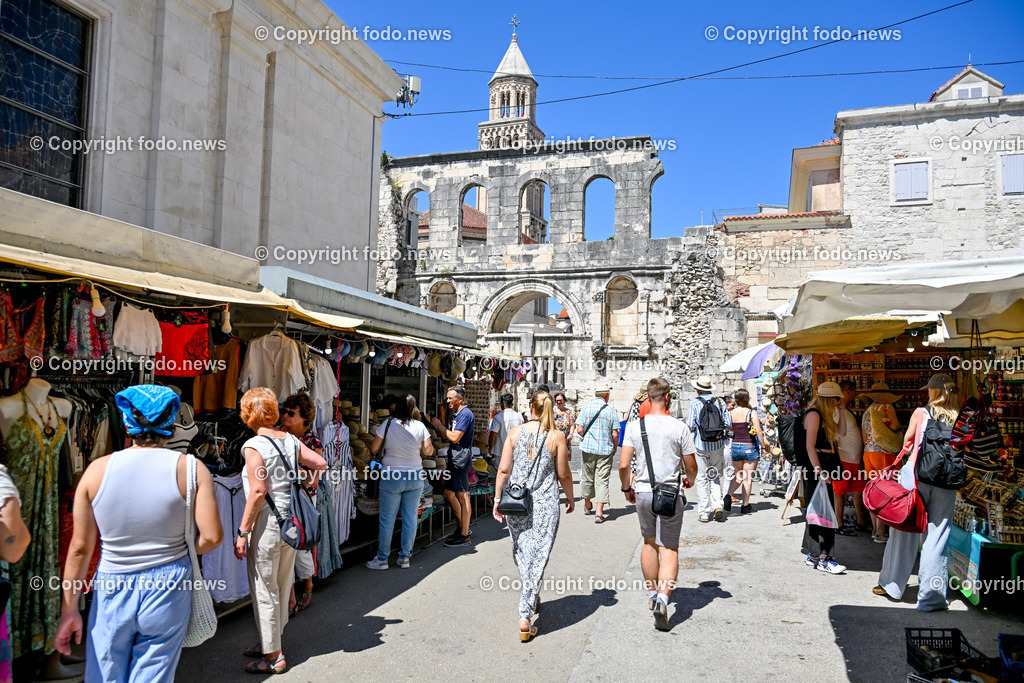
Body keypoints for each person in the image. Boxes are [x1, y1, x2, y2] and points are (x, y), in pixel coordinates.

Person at [54, 385, 224, 682]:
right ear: (171, 423)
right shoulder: (191, 469)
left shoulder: (96, 471)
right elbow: (211, 537)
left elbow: (80, 548)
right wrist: (181, 548)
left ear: (126, 422)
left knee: (105, 673)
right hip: (169, 584)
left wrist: (69, 609)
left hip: (113, 583)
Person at [234, 387, 327, 674]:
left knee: (264, 588)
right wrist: (310, 481)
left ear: (248, 415)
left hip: (267, 525)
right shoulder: (289, 440)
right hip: (291, 524)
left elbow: (258, 490)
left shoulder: (254, 445)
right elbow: (321, 463)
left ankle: (274, 656)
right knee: (282, 584)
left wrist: (243, 532)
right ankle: (270, 642)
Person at [492, 391, 574, 642]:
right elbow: (564, 474)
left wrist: (497, 499)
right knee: (538, 555)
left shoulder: (515, 433)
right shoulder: (556, 437)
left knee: (523, 552)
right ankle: (525, 615)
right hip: (545, 504)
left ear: (531, 407)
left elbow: (504, 470)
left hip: (517, 503)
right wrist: (571, 497)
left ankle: (531, 596)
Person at [875, 374, 960, 611]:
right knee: (937, 535)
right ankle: (931, 598)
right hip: (946, 479)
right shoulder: (959, 417)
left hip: (916, 476)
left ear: (934, 391)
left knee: (904, 532)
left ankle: (892, 586)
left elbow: (908, 442)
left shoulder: (921, 413)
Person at [619, 379, 698, 631]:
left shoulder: (635, 426)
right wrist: (689, 479)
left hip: (643, 492)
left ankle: (653, 595)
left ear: (648, 398)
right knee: (669, 549)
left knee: (649, 543)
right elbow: (691, 466)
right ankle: (664, 599)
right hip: (670, 494)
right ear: (667, 397)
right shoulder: (679, 427)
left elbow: (623, 464)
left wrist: (626, 487)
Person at [366, 395, 433, 570]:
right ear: (413, 408)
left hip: (391, 476)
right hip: (414, 476)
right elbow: (428, 451)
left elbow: (374, 448)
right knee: (410, 518)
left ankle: (382, 559)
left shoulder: (387, 424)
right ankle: (405, 558)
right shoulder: (420, 426)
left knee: (387, 519)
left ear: (397, 407)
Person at [279, 393, 323, 615]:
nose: (285, 415)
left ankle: (307, 584)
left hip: (303, 498)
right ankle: (289, 599)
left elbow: (316, 474)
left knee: (299, 547)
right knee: (284, 547)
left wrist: (298, 472)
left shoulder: (311, 440)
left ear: (304, 417)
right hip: (280, 496)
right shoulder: (278, 434)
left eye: (291, 412)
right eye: (284, 411)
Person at [801, 381, 847, 575]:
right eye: (836, 399)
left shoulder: (823, 416)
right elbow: (809, 446)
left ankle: (814, 555)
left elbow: (842, 433)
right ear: (829, 399)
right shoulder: (814, 415)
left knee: (818, 509)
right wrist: (819, 470)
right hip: (818, 466)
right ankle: (824, 557)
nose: (838, 402)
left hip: (824, 465)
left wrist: (842, 412)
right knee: (823, 511)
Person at [431, 387, 475, 547]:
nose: (447, 401)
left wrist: (439, 426)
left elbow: (455, 437)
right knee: (448, 493)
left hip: (460, 461)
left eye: (451, 398)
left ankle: (465, 534)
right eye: (447, 398)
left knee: (463, 496)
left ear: (460, 399)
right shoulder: (458, 414)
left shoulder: (465, 414)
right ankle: (462, 527)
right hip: (455, 459)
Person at [860, 383, 903, 543]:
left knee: (873, 491)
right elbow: (896, 426)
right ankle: (881, 532)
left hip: (868, 453)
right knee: (885, 491)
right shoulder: (886, 407)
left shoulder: (867, 411)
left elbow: (864, 437)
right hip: (884, 454)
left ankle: (875, 530)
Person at [686, 376, 732, 522]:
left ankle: (704, 512)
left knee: (701, 477)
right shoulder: (720, 402)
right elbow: (727, 423)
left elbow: (690, 426)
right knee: (715, 475)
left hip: (701, 445)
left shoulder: (694, 403)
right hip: (717, 444)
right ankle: (718, 505)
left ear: (698, 389)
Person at [575, 384, 619, 523]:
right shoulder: (611, 410)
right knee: (602, 480)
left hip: (588, 449)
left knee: (587, 476)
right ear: (607, 395)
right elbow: (615, 433)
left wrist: (587, 437)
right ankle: (599, 513)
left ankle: (588, 505)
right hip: (605, 450)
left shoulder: (586, 407)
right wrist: (615, 447)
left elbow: (579, 429)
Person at [833, 380, 869, 535]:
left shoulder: (845, 410)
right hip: (844, 459)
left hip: (854, 459)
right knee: (839, 492)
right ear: (847, 392)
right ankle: (839, 524)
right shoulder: (837, 411)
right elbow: (833, 435)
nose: (855, 395)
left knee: (858, 490)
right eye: (854, 392)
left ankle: (861, 522)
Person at [724, 390, 763, 514]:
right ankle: (745, 505)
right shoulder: (751, 412)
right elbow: (759, 431)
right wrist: (763, 446)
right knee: (747, 478)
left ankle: (728, 496)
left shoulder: (731, 413)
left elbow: (730, 427)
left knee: (738, 475)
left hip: (735, 445)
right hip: (749, 445)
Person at [488, 393, 523, 467]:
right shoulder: (519, 417)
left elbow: (493, 435)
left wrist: (490, 448)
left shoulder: (498, 417)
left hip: (500, 452)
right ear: (512, 405)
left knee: (500, 471)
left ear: (501, 404)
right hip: (515, 452)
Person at [720, 395, 737, 509]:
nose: (734, 407)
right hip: (726, 444)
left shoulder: (718, 413)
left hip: (718, 445)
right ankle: (726, 495)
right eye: (732, 404)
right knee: (729, 471)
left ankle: (721, 495)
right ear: (726, 404)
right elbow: (730, 427)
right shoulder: (726, 414)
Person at [552, 392, 576, 459]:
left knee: (564, 460)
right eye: (557, 400)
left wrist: (571, 434)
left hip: (566, 440)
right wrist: (553, 418)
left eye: (560, 400)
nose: (559, 402)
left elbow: (572, 424)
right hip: (555, 440)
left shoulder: (568, 412)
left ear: (564, 400)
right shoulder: (553, 411)